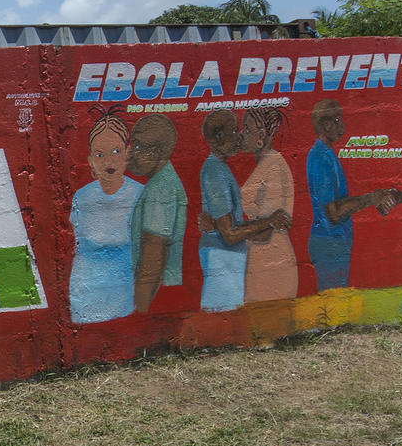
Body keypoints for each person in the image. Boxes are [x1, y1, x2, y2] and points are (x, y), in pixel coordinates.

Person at [197, 111, 286, 312]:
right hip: (223, 257)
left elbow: (230, 228)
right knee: (221, 315)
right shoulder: (215, 173)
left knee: (226, 312)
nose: (239, 137)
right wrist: (269, 221)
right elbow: (230, 234)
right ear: (220, 137)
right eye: (235, 131)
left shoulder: (219, 169)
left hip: (228, 256)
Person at [306, 99, 398, 291]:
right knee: (332, 303)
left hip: (335, 241)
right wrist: (371, 199)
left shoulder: (327, 154)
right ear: (326, 124)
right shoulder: (321, 158)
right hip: (328, 241)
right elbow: (334, 212)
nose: (343, 124)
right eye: (339, 119)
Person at [69, 109, 143, 323]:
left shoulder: (140, 195)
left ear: (128, 154)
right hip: (87, 291)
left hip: (125, 293)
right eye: (100, 155)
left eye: (116, 151)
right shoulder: (82, 197)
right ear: (90, 160)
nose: (108, 161)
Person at [125, 114, 185, 314]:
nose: (134, 153)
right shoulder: (161, 181)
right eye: (135, 145)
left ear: (160, 152)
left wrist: (139, 312)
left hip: (155, 296)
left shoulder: (161, 189)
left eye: (142, 147)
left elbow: (153, 256)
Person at [238, 104, 297, 302]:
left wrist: (226, 228)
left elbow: (267, 230)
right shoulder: (266, 165)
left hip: (272, 264)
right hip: (260, 261)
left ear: (262, 134)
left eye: (247, 129)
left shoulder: (273, 168)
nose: (241, 134)